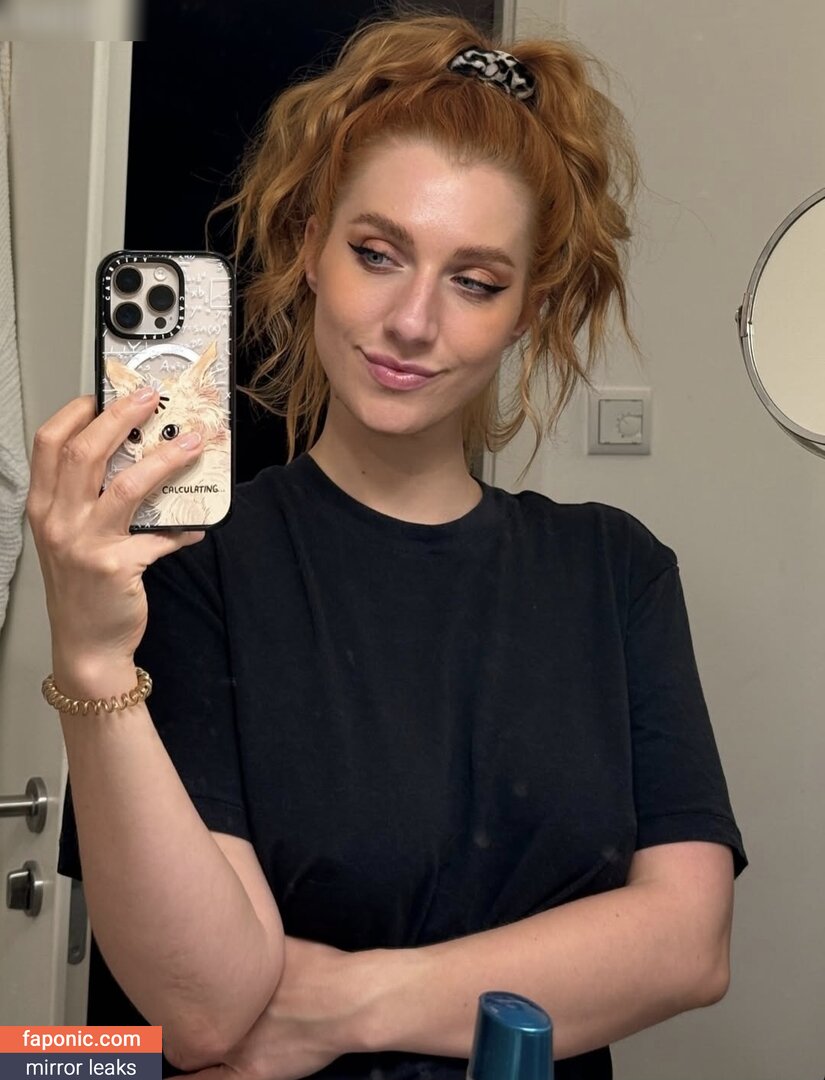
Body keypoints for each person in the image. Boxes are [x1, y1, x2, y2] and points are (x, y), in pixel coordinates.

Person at [29, 10, 746, 1080]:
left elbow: (687, 945)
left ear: (527, 308)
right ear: (311, 247)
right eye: (377, 254)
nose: (413, 320)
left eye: (475, 280)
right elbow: (204, 1013)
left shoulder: (616, 572)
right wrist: (91, 661)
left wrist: (341, 1006)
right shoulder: (195, 568)